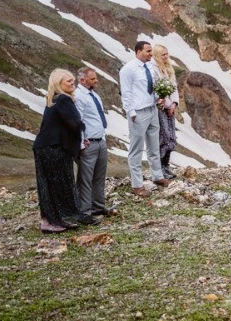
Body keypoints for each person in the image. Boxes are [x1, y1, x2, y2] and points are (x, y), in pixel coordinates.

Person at [32, 69, 84, 233]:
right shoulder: (63, 99)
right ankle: (49, 221)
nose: (72, 83)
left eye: (72, 80)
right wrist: (82, 129)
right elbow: (74, 123)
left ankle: (55, 219)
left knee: (49, 183)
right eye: (68, 81)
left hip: (46, 146)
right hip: (53, 147)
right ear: (58, 83)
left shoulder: (54, 99)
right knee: (54, 183)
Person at [120, 40, 167, 197]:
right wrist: (131, 112)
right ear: (139, 51)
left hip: (152, 109)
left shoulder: (149, 67)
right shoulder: (128, 70)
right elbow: (126, 93)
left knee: (154, 145)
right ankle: (137, 184)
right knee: (137, 148)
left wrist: (158, 98)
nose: (150, 54)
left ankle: (158, 175)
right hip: (138, 112)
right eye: (148, 51)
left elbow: (151, 87)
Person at [74, 67, 114, 223]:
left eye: (96, 78)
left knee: (99, 176)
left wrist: (102, 137)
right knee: (85, 178)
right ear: (82, 80)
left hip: (100, 140)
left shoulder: (94, 95)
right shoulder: (78, 96)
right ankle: (84, 212)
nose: (96, 81)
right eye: (93, 79)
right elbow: (79, 121)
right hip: (89, 143)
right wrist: (82, 144)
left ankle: (98, 205)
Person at [151, 44, 179, 180]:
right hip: (161, 108)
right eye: (163, 54)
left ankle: (166, 165)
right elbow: (156, 89)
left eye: (167, 54)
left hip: (170, 108)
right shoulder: (153, 69)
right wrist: (167, 105)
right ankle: (160, 166)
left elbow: (174, 87)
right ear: (157, 55)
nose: (166, 56)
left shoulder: (169, 68)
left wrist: (174, 103)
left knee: (171, 135)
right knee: (164, 136)